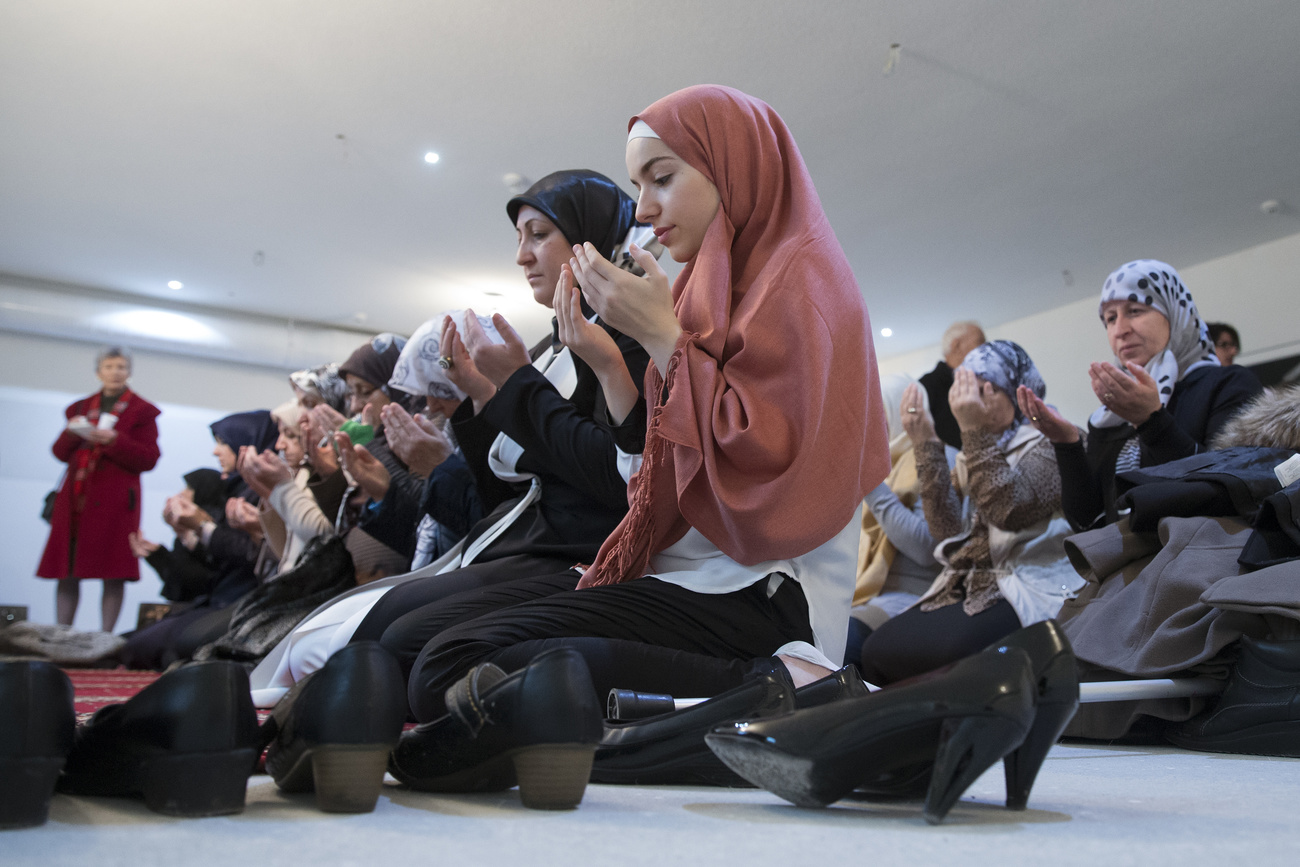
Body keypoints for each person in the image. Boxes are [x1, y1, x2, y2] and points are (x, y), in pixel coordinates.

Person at [395, 85, 889, 726]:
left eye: (662, 178)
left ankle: (784, 684)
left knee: (451, 665)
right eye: (638, 184)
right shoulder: (701, 290)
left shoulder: (803, 283)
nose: (645, 207)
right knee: (429, 656)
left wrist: (659, 336)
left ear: (731, 167)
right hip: (688, 568)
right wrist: (612, 359)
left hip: (764, 587)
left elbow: (760, 472)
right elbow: (656, 456)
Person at [248, 169, 654, 706]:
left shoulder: (629, 340)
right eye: (519, 239)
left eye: (539, 235)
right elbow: (506, 495)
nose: (522, 256)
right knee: (326, 644)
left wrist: (508, 391)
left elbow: (616, 478)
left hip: (576, 553)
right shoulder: (552, 345)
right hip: (528, 542)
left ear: (590, 240)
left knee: (382, 650)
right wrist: (479, 404)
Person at [858, 341, 1080, 684]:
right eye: (964, 390)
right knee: (877, 650)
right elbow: (946, 531)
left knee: (946, 653)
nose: (968, 401)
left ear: (1013, 391)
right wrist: (926, 444)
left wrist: (973, 433)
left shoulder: (1049, 440)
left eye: (980, 389)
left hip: (1026, 579)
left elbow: (1008, 510)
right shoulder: (972, 454)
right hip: (966, 583)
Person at [1018, 260, 1262, 530]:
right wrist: (1066, 443)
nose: (1120, 330)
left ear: (1174, 313)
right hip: (1130, 571)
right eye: (1110, 319)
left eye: (1135, 310)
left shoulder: (1227, 384)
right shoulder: (1111, 413)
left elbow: (1235, 492)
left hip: (1204, 566)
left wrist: (1151, 421)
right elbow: (1087, 520)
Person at [37, 347, 161, 632]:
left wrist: (115, 440)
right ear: (98, 372)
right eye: (109, 366)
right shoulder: (79, 409)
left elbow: (149, 458)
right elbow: (59, 453)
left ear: (128, 372)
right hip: (76, 499)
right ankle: (63, 634)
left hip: (116, 502)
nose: (115, 372)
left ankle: (106, 638)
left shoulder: (142, 411)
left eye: (120, 366)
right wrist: (71, 432)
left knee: (113, 572)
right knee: (67, 571)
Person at [847, 373, 956, 661]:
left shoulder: (939, 459)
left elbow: (925, 548)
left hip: (914, 596)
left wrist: (869, 483)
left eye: (879, 413)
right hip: (867, 592)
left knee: (839, 644)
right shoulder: (885, 463)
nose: (872, 425)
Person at [918, 321, 986, 450]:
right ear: (957, 345)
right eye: (980, 342)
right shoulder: (925, 387)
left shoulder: (983, 382)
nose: (985, 349)